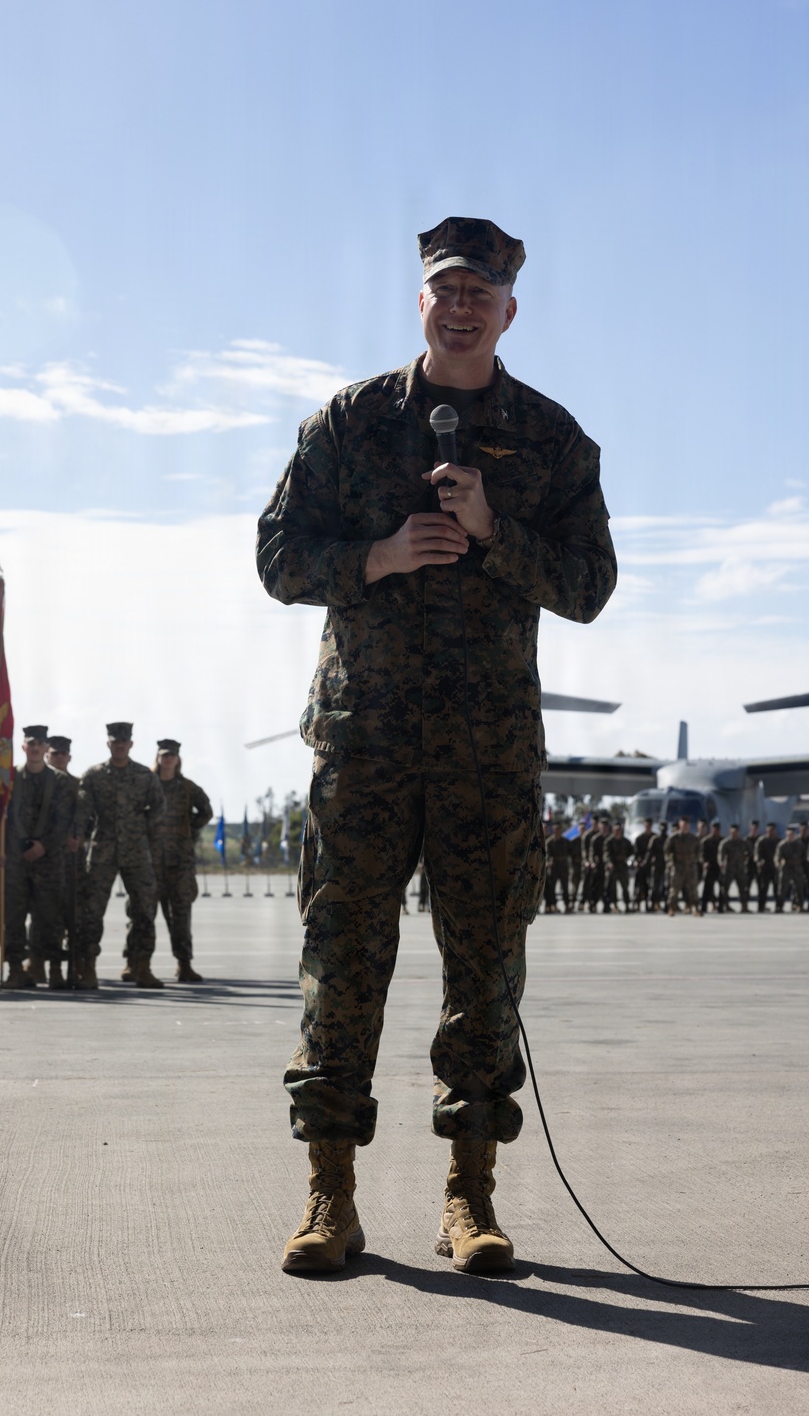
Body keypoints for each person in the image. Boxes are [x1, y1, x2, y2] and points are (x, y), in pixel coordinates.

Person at [257, 215, 616, 1275]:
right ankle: (330, 1193)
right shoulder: (349, 422)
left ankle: (469, 1197)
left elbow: (590, 587)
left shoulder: (551, 441)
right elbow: (278, 555)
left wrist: (499, 531)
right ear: (420, 300)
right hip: (365, 744)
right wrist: (371, 554)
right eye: (444, 288)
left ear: (510, 310)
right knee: (343, 963)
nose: (462, 305)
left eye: (482, 292)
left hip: (485, 754)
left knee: (484, 970)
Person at [78, 722, 166, 989]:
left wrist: (142, 829)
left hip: (136, 851)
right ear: (108, 744)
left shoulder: (143, 775)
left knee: (144, 910)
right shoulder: (93, 775)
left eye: (123, 742)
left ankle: (140, 966)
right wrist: (80, 838)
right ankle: (88, 968)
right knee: (92, 911)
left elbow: (159, 807)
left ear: (130, 745)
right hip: (103, 850)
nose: (119, 745)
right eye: (115, 742)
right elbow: (82, 812)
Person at [0, 726, 75, 990]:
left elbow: (63, 821)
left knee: (49, 917)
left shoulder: (60, 781)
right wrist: (3, 848)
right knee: (13, 918)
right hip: (15, 860)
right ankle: (16, 969)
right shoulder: (9, 779)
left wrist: (44, 845)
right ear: (23, 747)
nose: (35, 748)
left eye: (40, 745)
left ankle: (54, 970)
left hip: (48, 859)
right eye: (31, 744)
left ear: (45, 749)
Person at [149, 738, 213, 982]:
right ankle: (137, 963)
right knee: (142, 913)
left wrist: (190, 832)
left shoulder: (187, 787)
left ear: (177, 759)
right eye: (164, 755)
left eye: (171, 756)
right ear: (158, 757)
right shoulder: (147, 784)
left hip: (180, 862)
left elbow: (206, 811)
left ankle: (184, 964)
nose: (167, 759)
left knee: (181, 914)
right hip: (151, 861)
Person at [46, 735, 84, 983]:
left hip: (73, 860)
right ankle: (46, 965)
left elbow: (87, 817)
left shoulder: (79, 785)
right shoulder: (40, 782)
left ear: (69, 757)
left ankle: (74, 967)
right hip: (46, 859)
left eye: (63, 754)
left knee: (75, 915)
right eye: (55, 753)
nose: (59, 758)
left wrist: (79, 837)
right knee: (48, 916)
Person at [664, 816, 700, 917]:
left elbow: (699, 850)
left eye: (687, 825)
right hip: (678, 867)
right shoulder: (673, 838)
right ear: (680, 825)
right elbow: (667, 851)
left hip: (690, 867)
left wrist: (694, 860)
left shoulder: (694, 838)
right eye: (683, 825)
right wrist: (670, 862)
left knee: (693, 889)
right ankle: (671, 908)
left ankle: (696, 908)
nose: (685, 827)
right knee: (674, 889)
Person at [717, 823, 749, 911]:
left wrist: (746, 859)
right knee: (725, 888)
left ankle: (744, 906)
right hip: (729, 869)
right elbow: (720, 855)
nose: (734, 834)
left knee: (743, 888)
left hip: (740, 868)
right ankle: (724, 905)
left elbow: (750, 852)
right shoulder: (725, 843)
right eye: (732, 832)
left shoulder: (743, 842)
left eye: (735, 832)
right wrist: (721, 863)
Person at [602, 820, 632, 913]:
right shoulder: (609, 841)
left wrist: (628, 859)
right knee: (612, 888)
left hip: (623, 866)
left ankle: (627, 905)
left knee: (625, 887)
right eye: (616, 830)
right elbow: (606, 854)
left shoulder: (626, 841)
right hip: (613, 867)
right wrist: (609, 863)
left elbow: (631, 852)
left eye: (619, 830)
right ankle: (614, 905)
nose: (617, 832)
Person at [775, 826, 806, 913]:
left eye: (792, 835)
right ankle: (779, 906)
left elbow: (804, 856)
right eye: (789, 835)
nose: (790, 836)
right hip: (786, 868)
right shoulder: (782, 845)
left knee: (799, 888)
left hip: (797, 867)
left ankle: (800, 905)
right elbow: (778, 856)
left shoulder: (799, 844)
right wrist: (778, 863)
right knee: (782, 888)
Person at [543, 821, 570, 912]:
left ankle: (567, 905)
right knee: (552, 888)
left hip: (563, 867)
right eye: (555, 830)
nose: (557, 831)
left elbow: (570, 853)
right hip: (554, 867)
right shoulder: (549, 842)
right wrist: (549, 862)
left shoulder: (565, 841)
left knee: (565, 887)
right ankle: (553, 905)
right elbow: (547, 854)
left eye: (558, 829)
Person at [755, 822, 780, 912]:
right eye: (769, 831)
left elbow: (781, 853)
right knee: (763, 888)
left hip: (775, 867)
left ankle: (778, 907)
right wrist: (759, 860)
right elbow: (757, 852)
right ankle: (761, 907)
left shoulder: (778, 841)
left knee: (777, 888)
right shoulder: (762, 840)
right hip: (765, 867)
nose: (771, 832)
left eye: (772, 831)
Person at [632, 817, 655, 912]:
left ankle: (648, 904)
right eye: (646, 826)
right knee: (638, 886)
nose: (647, 827)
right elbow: (636, 853)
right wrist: (637, 862)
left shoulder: (654, 838)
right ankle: (635, 903)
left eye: (649, 826)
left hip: (651, 866)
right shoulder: (639, 838)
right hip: (641, 866)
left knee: (649, 886)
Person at [700, 820, 721, 913]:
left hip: (719, 867)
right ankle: (703, 907)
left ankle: (720, 907)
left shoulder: (722, 841)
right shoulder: (706, 841)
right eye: (713, 830)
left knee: (722, 888)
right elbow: (701, 854)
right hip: (710, 867)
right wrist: (704, 862)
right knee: (707, 888)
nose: (715, 832)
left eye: (717, 830)